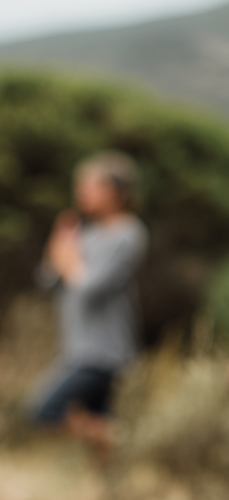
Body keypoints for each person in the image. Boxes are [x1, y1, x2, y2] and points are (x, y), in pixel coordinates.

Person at [30, 151, 148, 454]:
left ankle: (119, 438)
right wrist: (58, 246)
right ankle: (111, 471)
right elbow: (48, 281)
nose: (81, 192)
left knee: (43, 410)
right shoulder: (87, 234)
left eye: (90, 186)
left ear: (116, 192)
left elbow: (90, 288)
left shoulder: (128, 233)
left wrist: (69, 260)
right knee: (97, 426)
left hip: (102, 351)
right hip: (77, 346)